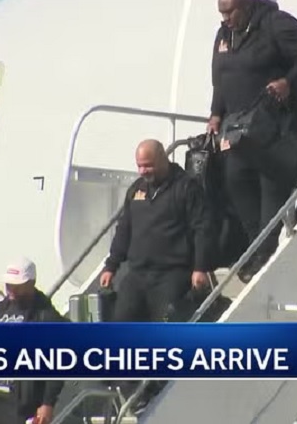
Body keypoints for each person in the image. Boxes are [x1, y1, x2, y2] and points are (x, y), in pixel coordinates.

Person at [208, 0, 297, 282]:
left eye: (229, 12)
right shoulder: (224, 35)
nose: (225, 19)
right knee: (236, 179)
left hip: (276, 119)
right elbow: (220, 80)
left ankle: (265, 252)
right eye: (221, 13)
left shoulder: (275, 24)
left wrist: (289, 81)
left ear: (245, 6)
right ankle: (258, 244)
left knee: (271, 183)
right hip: (239, 125)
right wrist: (215, 114)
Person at [99, 139, 212, 413]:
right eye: (139, 166)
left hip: (171, 273)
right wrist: (112, 265)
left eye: (148, 165)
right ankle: (131, 389)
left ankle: (159, 388)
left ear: (162, 160)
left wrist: (200, 266)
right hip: (138, 273)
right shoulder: (137, 191)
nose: (143, 171)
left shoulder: (186, 187)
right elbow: (124, 229)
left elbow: (202, 228)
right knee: (121, 326)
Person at [0, 257, 67, 424]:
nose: (11, 288)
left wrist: (47, 403)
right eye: (9, 284)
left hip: (21, 403)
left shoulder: (46, 316)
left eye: (17, 284)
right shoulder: (0, 311)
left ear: (31, 283)